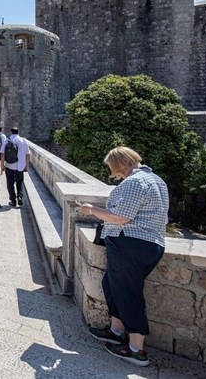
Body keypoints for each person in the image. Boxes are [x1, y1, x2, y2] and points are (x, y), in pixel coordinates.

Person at [81, 147, 168, 367]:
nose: (115, 173)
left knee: (129, 294)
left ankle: (136, 350)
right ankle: (116, 331)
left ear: (121, 164)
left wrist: (92, 210)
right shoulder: (156, 180)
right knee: (111, 285)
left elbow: (120, 218)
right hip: (150, 245)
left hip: (130, 244)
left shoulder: (134, 183)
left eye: (114, 168)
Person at [0, 127, 30, 207]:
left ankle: (13, 200)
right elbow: (28, 154)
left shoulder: (7, 140)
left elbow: (2, 154)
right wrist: (26, 166)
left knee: (10, 183)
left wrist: (2, 166)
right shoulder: (24, 141)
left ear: (11, 132)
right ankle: (19, 196)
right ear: (18, 132)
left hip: (9, 165)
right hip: (20, 166)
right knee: (19, 182)